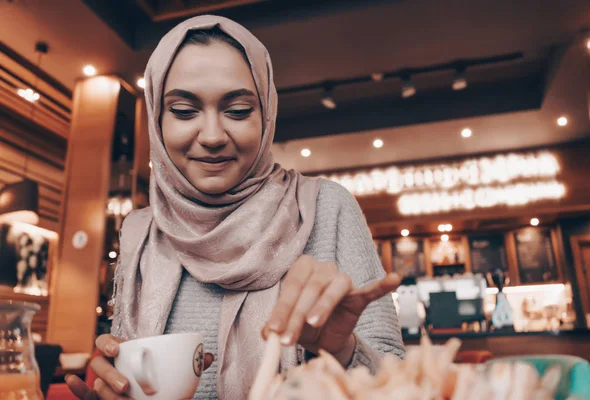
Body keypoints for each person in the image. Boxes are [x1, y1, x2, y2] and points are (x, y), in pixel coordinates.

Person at [66, 15, 404, 400]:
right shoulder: (141, 231)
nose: (211, 136)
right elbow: (136, 372)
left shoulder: (325, 208)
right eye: (183, 111)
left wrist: (342, 350)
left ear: (266, 116)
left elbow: (400, 385)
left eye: (238, 111)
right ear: (157, 121)